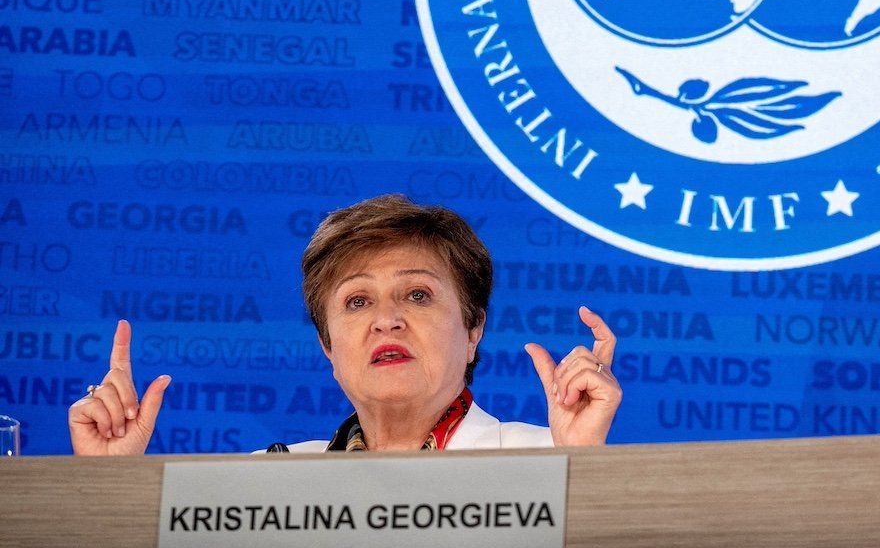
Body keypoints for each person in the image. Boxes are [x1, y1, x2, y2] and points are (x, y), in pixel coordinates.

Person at [68, 194, 623, 454]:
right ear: (328, 347)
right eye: (357, 302)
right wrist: (109, 488)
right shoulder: (265, 485)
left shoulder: (540, 458)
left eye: (418, 294)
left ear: (474, 328)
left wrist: (578, 469)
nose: (387, 321)